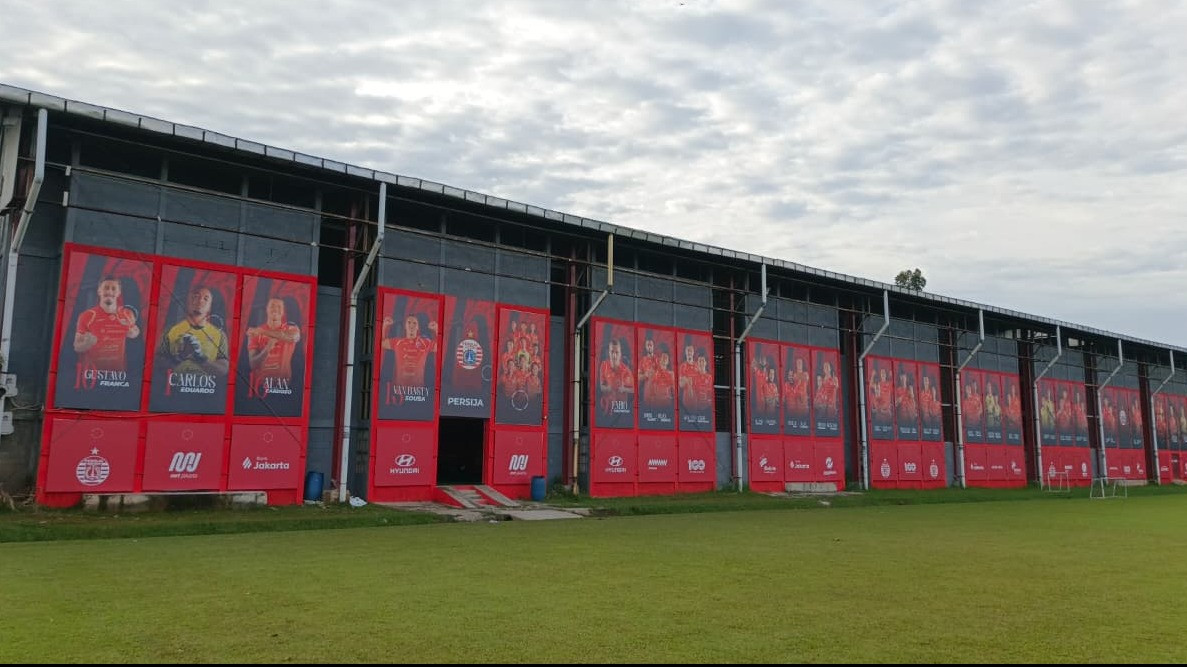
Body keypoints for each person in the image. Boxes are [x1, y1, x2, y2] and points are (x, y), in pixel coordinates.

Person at [73, 276, 140, 371]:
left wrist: (133, 332)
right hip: (93, 374)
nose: (109, 292)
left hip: (117, 374)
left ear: (119, 293)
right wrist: (87, 344)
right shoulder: (87, 316)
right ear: (99, 291)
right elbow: (77, 346)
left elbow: (134, 332)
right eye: (106, 288)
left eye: (113, 288)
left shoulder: (126, 314)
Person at [159, 285, 229, 377]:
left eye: (206, 299)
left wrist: (200, 357)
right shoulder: (170, 331)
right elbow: (157, 362)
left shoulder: (219, 335)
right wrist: (180, 357)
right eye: (195, 296)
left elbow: (224, 369)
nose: (200, 301)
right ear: (186, 302)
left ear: (210, 307)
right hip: (174, 385)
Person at [245, 297, 301, 388]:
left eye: (279, 307)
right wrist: (267, 349)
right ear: (266, 309)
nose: (275, 309)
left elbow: (294, 337)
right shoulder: (255, 333)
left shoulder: (291, 329)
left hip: (284, 386)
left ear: (283, 311)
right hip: (262, 387)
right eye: (272, 306)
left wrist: (262, 332)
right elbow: (253, 364)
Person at [382, 311, 439, 387]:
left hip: (418, 391)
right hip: (400, 390)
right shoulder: (397, 342)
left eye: (414, 323)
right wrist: (385, 325)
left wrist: (436, 329)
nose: (411, 325)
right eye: (409, 322)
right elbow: (382, 343)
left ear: (418, 327)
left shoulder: (425, 343)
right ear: (405, 326)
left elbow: (438, 347)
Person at [598, 337, 634, 416]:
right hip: (606, 409)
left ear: (620, 354)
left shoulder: (626, 370)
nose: (614, 356)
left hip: (621, 412)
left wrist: (624, 389)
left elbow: (633, 389)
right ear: (609, 352)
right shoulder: (604, 366)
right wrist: (610, 388)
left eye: (617, 352)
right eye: (612, 352)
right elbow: (602, 387)